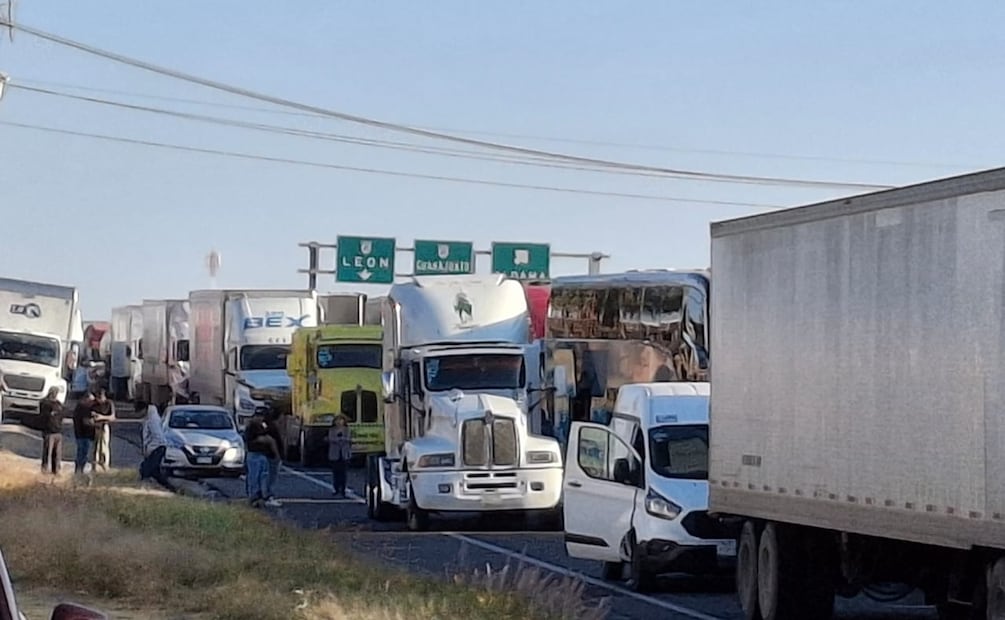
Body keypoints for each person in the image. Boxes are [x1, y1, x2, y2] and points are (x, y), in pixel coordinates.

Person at [244, 417, 281, 508]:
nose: (261, 418)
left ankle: (258, 497)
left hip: (260, 455)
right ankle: (257, 497)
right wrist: (277, 455)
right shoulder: (253, 427)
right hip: (256, 454)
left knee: (259, 476)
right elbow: (267, 440)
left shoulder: (259, 426)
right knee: (257, 477)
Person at [138, 400, 171, 488]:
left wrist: (151, 448)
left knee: (145, 469)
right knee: (155, 472)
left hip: (157, 448)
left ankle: (144, 487)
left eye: (139, 412)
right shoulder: (148, 418)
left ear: (144, 409)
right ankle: (169, 487)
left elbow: (157, 435)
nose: (138, 414)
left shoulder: (153, 420)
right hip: (156, 448)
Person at [38, 387, 64, 476]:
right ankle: (45, 469)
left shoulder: (58, 404)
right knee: (47, 452)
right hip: (49, 431)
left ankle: (56, 470)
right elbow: (43, 416)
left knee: (57, 453)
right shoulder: (45, 403)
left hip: (58, 431)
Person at [71, 392, 97, 482]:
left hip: (84, 435)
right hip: (83, 435)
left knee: (83, 454)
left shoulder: (82, 407)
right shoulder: (81, 408)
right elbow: (86, 422)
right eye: (90, 401)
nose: (92, 403)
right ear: (85, 399)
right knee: (82, 455)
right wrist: (96, 422)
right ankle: (79, 471)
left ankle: (80, 471)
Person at [262, 407, 284, 507]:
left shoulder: (268, 426)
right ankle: (269, 496)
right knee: (272, 476)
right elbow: (273, 442)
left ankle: (266, 495)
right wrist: (277, 455)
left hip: (269, 454)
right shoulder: (273, 427)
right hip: (272, 455)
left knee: (268, 476)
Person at [90, 389, 116, 471]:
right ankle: (95, 465)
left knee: (104, 446)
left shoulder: (109, 404)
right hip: (95, 426)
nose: (98, 400)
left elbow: (112, 417)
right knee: (95, 447)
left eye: (100, 398)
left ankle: (104, 463)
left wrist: (101, 417)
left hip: (104, 425)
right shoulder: (94, 404)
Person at [327, 415, 352, 498]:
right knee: (336, 472)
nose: (339, 422)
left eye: (341, 420)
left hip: (344, 454)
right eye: (337, 420)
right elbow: (331, 439)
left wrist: (340, 439)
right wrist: (340, 439)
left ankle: (343, 489)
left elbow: (348, 439)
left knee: (343, 473)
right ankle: (336, 488)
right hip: (335, 454)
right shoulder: (332, 430)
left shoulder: (347, 430)